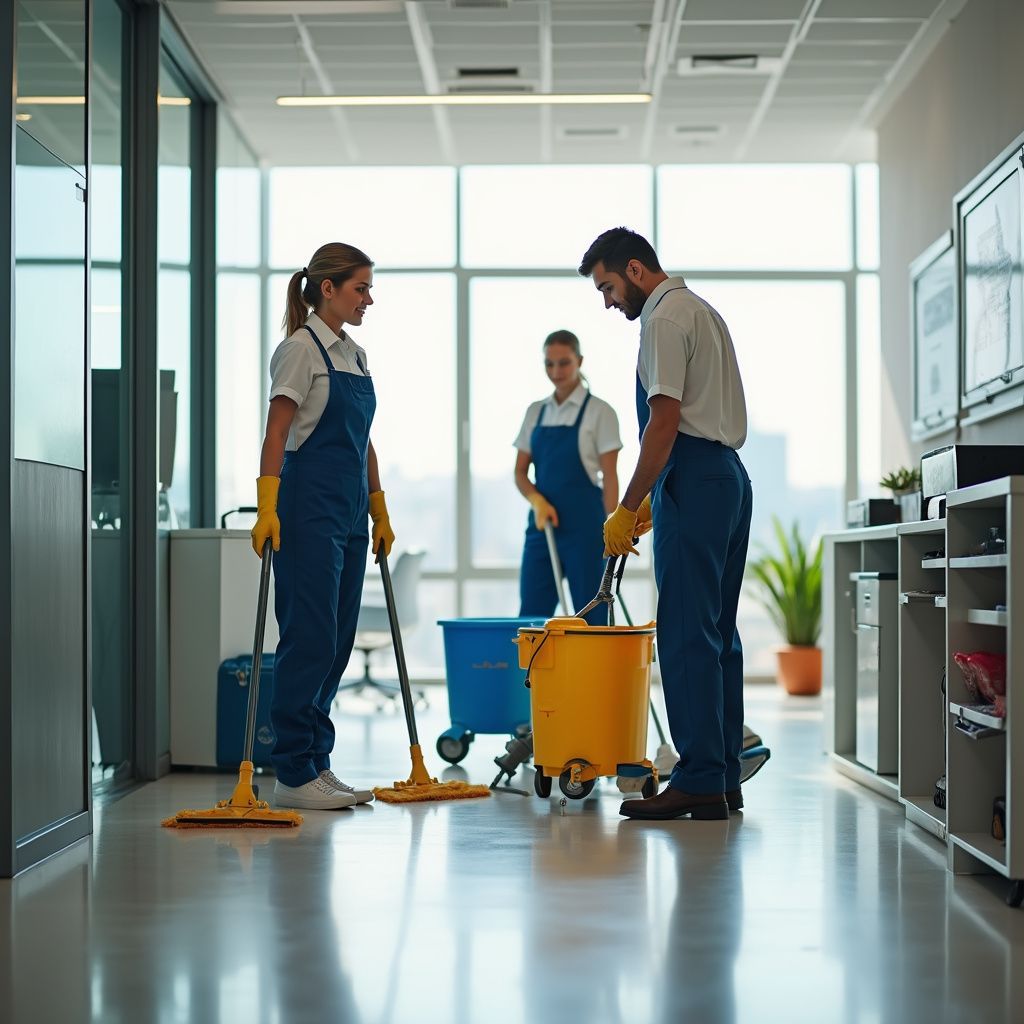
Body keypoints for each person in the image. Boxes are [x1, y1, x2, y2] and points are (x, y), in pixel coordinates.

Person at [578, 227, 752, 821]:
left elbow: (665, 420)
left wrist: (629, 503)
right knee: (717, 634)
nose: (607, 301)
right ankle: (722, 778)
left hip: (697, 478)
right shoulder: (701, 311)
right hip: (726, 476)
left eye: (607, 287)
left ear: (634, 268)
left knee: (683, 634)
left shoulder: (663, 319)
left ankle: (699, 778)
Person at [251, 241, 395, 811]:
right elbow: (276, 433)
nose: (369, 299)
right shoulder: (299, 350)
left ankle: (316, 761)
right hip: (307, 509)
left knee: (336, 642)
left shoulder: (355, 353)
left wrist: (379, 508)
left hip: (350, 511)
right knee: (307, 637)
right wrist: (267, 505)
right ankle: (291, 771)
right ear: (328, 289)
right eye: (361, 288)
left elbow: (364, 442)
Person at [514, 330, 622, 625]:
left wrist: (611, 526)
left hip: (586, 531)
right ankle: (534, 673)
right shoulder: (536, 412)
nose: (556, 372)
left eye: (564, 363)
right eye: (549, 364)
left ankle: (594, 673)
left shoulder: (600, 412)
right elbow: (520, 472)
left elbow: (609, 477)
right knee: (532, 618)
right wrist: (536, 500)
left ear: (579, 361)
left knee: (592, 616)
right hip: (543, 525)